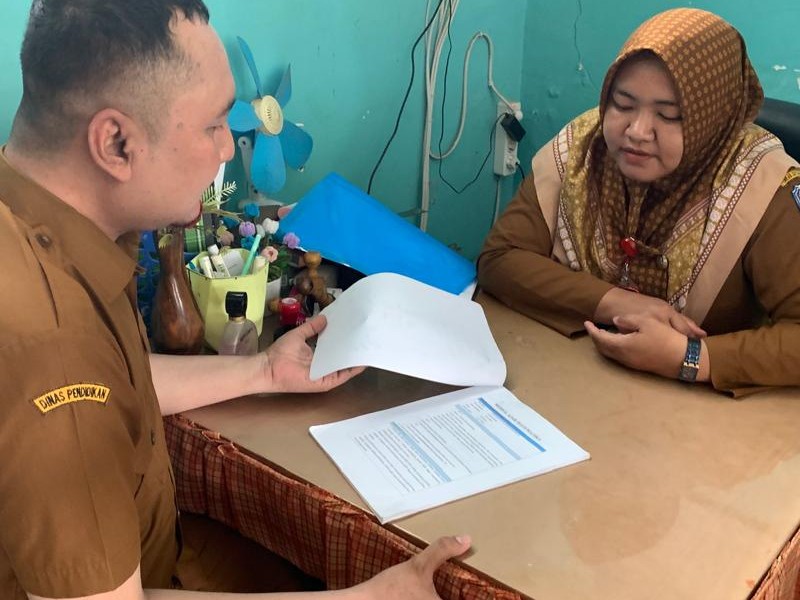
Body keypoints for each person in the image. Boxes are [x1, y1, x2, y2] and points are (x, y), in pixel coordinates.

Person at [0, 1, 470, 599]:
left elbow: (117, 378)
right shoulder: (51, 340)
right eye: (213, 126)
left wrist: (263, 370)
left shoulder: (42, 220)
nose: (227, 148)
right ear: (116, 143)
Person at [478, 8, 800, 397]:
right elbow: (501, 257)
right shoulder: (583, 148)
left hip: (709, 414)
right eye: (623, 104)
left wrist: (692, 358)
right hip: (586, 385)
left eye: (669, 115)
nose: (637, 131)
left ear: (711, 118)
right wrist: (616, 303)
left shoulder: (763, 185)